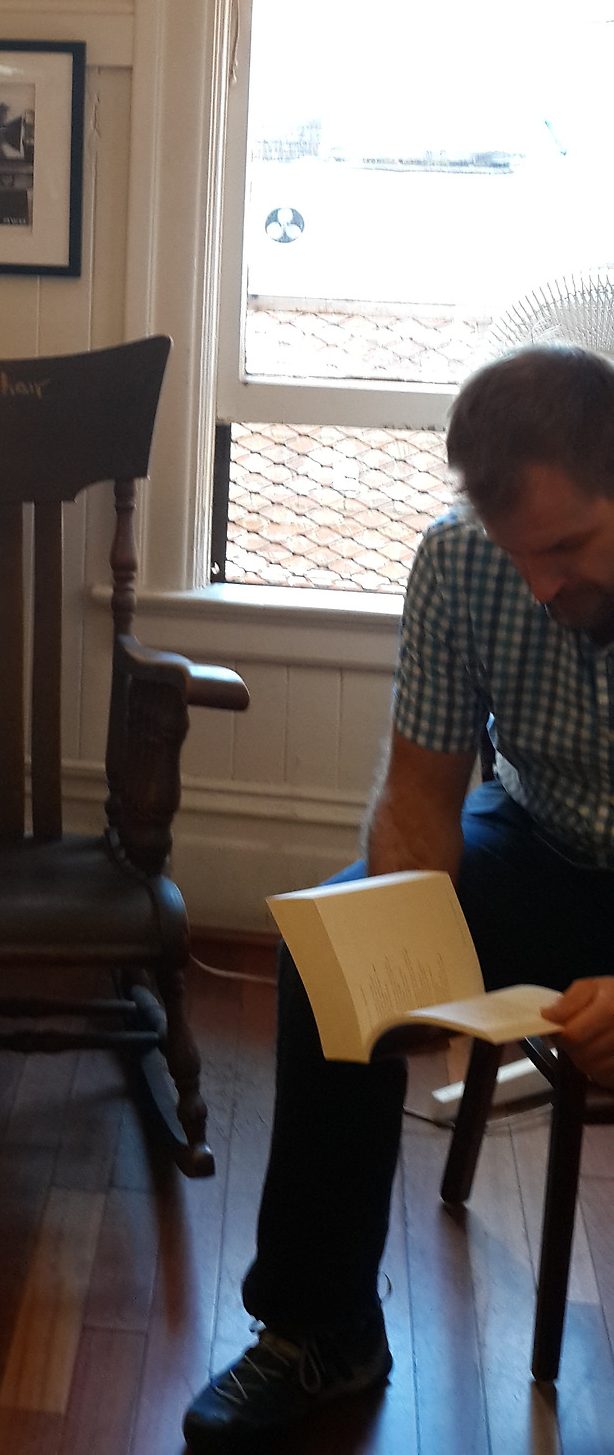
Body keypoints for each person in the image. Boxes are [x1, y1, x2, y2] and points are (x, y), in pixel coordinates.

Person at [184, 343, 614, 1448]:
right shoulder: (459, 560)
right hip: (543, 837)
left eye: (566, 548)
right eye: (517, 553)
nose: (540, 586)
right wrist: (403, 958)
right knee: (333, 957)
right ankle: (320, 1325)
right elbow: (421, 798)